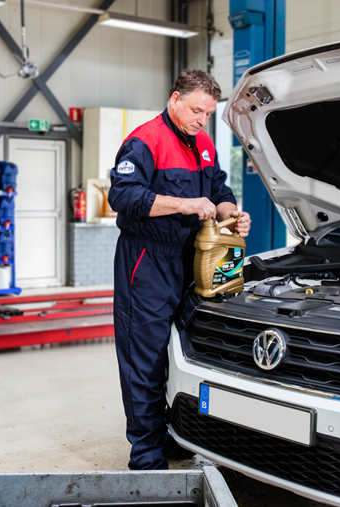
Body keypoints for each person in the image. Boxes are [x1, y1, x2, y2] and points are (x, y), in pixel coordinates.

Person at [108, 70, 251, 470]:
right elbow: (123, 197)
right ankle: (146, 453)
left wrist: (232, 213)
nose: (200, 120)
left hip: (193, 258)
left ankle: (173, 435)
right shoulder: (145, 140)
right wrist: (184, 204)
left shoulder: (204, 144)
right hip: (148, 260)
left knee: (183, 353)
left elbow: (220, 191)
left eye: (207, 113)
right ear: (174, 99)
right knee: (145, 357)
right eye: (195, 110)